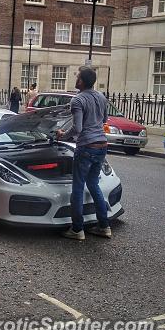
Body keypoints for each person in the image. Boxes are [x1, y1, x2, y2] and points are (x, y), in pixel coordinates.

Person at [57, 67, 111, 241]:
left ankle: (77, 229)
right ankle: (104, 226)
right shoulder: (102, 97)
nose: (76, 78)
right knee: (94, 184)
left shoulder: (78, 100)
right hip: (102, 145)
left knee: (78, 188)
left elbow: (78, 128)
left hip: (86, 146)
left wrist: (62, 135)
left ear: (81, 81)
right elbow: (104, 120)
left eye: (78, 76)